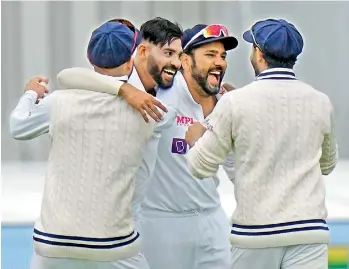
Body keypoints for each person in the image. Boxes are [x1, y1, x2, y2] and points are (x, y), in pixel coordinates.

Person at [58, 23, 238, 269]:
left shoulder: (227, 104)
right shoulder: (158, 92)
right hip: (162, 223)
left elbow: (235, 167)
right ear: (185, 60)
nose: (219, 62)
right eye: (210, 55)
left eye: (222, 56)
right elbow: (72, 77)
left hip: (212, 220)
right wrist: (124, 89)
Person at [9, 18, 181, 269]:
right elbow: (170, 102)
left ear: (90, 58)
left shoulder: (58, 101)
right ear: (133, 57)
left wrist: (30, 94)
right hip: (113, 248)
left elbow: (18, 125)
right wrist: (126, 90)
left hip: (51, 247)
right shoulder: (151, 110)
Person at [185, 18, 338, 269]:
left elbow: (200, 167)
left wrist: (196, 139)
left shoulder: (235, 102)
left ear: (258, 54)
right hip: (310, 231)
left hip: (255, 234)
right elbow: (327, 165)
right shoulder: (320, 101)